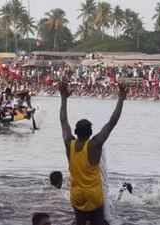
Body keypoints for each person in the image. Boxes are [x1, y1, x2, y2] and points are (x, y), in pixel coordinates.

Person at [58, 81, 127, 225]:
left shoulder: (69, 143)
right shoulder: (95, 144)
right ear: (90, 133)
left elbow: (63, 120)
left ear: (76, 132)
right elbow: (112, 122)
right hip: (94, 195)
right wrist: (121, 98)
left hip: (77, 195)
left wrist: (63, 97)